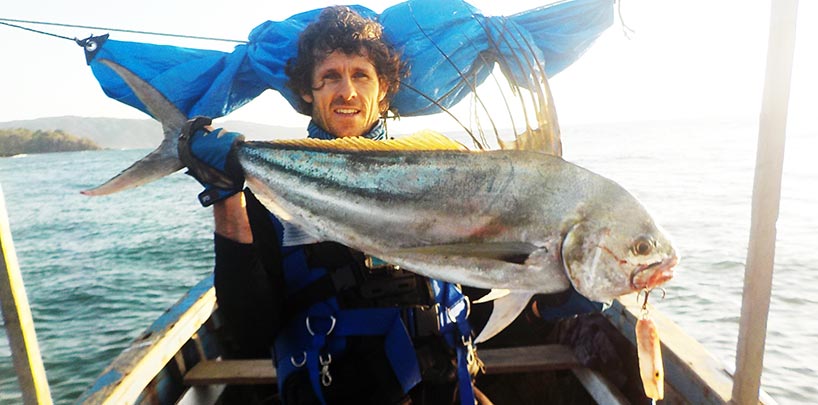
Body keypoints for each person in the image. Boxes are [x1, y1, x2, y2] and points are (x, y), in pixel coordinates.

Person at [178, 6, 483, 405]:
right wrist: (225, 197)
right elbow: (250, 331)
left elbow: (478, 286)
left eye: (361, 75)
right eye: (330, 77)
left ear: (384, 88)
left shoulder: (437, 174)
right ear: (308, 91)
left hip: (448, 388)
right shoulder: (268, 189)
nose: (348, 92)